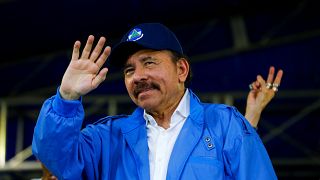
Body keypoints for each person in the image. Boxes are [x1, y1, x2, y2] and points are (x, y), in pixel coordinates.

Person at [32, 23, 283, 179]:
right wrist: (66, 98)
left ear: (181, 70)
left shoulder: (225, 125)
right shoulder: (107, 138)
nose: (138, 76)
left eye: (149, 62)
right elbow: (55, 159)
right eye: (129, 70)